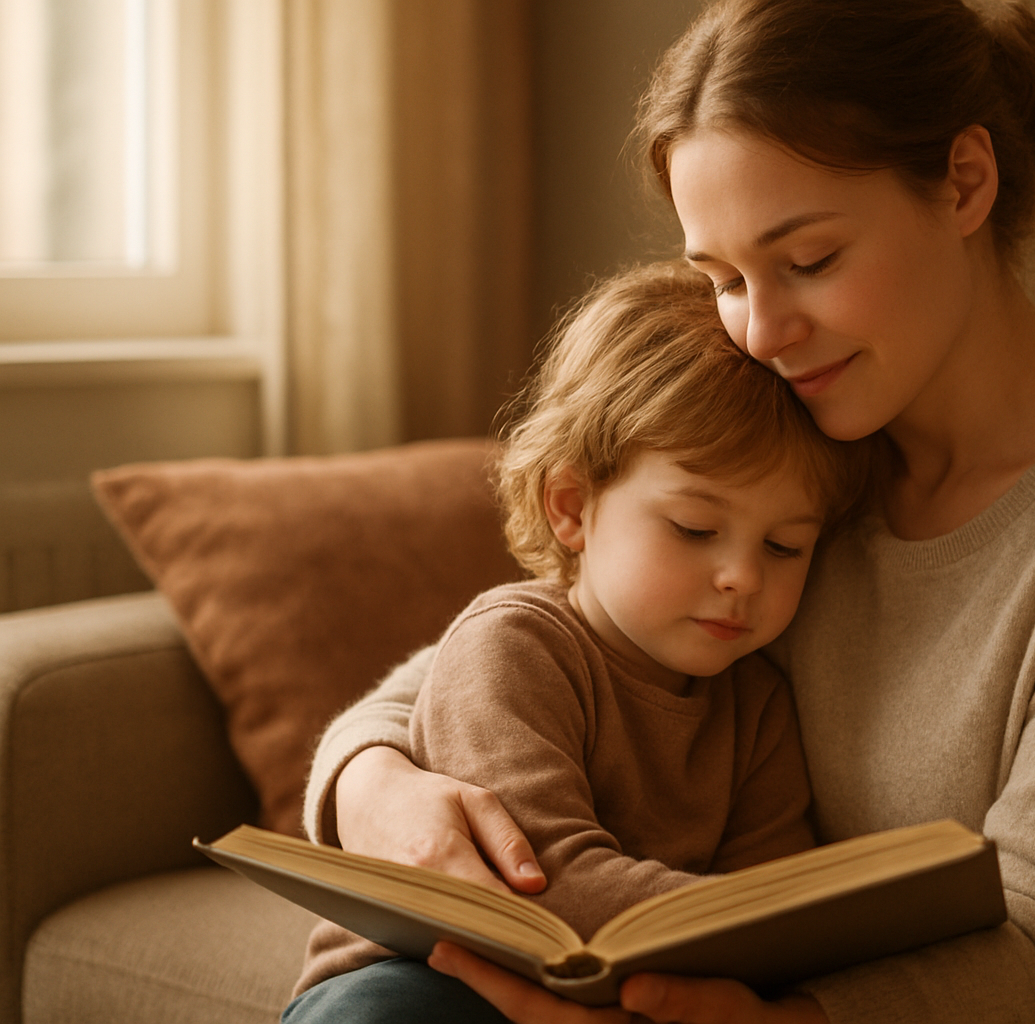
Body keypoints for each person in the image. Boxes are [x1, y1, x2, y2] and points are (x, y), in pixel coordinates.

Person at [299, 1, 1035, 1022]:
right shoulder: (815, 445)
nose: (762, 330)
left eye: (811, 261)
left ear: (965, 181)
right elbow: (533, 640)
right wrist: (372, 782)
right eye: (724, 277)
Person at [285, 262, 875, 1021]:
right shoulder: (513, 647)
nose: (742, 577)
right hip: (430, 973)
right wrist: (764, 918)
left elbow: (770, 914)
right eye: (695, 530)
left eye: (786, 546)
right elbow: (542, 879)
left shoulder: (757, 706)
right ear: (571, 507)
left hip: (622, 986)